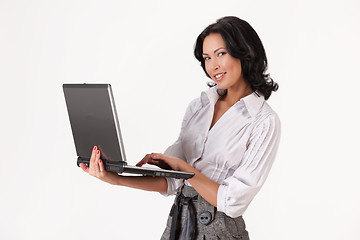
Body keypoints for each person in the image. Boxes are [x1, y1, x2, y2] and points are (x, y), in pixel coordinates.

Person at [79, 16, 281, 240]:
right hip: (180, 222)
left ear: (245, 52)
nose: (213, 66)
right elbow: (171, 181)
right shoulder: (199, 107)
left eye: (221, 54)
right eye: (206, 57)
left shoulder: (263, 121)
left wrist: (187, 170)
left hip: (219, 230)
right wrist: (114, 177)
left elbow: (233, 202)